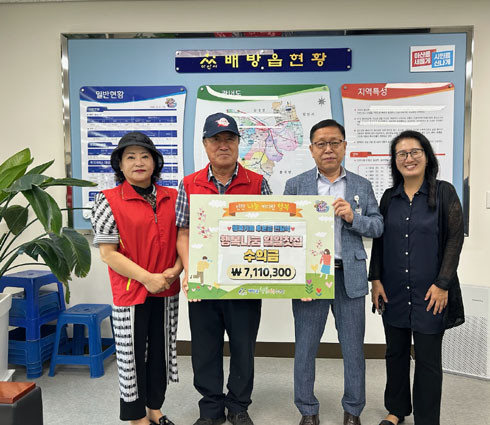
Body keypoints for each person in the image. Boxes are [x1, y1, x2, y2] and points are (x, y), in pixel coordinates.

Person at [284, 119, 384, 425]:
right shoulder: (296, 185)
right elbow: (285, 233)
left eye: (334, 142)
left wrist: (354, 218)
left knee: (353, 350)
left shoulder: (360, 185)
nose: (328, 149)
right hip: (310, 277)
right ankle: (307, 410)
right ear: (311, 149)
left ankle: (353, 410)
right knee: (305, 348)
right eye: (321, 144)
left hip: (348, 276)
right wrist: (295, 280)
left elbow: (378, 226)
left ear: (344, 146)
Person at [175, 112, 272, 425]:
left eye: (229, 138)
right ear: (205, 144)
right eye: (216, 139)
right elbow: (183, 232)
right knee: (205, 348)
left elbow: (272, 230)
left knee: (243, 347)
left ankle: (239, 406)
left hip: (245, 283)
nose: (223, 145)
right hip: (204, 281)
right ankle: (211, 409)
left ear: (238, 143)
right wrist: (189, 271)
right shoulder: (189, 184)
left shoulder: (257, 183)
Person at [368, 130, 465, 425]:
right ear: (394, 160)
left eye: (414, 152)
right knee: (395, 352)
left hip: (431, 292)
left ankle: (426, 418)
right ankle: (396, 410)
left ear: (426, 156)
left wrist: (442, 284)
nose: (408, 158)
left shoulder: (444, 192)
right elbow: (379, 242)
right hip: (393, 289)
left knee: (428, 360)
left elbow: (454, 240)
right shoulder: (389, 198)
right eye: (402, 154)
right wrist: (375, 280)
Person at [91, 132, 182, 425]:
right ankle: (136, 416)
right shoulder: (107, 200)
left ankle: (154, 408)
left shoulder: (173, 197)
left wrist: (176, 269)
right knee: (131, 357)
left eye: (145, 156)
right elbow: (108, 254)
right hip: (131, 291)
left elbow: (185, 239)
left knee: (160, 352)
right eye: (130, 157)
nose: (138, 162)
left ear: (155, 163)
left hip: (166, 288)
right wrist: (146, 278)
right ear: (120, 164)